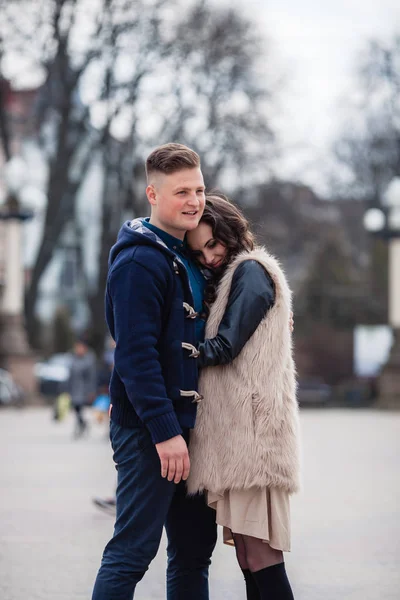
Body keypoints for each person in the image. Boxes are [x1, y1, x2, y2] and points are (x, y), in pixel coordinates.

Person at [92, 143, 218, 600]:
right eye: (181, 191)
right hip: (150, 431)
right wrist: (166, 433)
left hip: (189, 428)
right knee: (132, 552)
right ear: (152, 194)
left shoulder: (185, 251)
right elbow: (134, 357)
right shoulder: (138, 261)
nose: (194, 201)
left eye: (199, 189)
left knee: (192, 553)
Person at [185, 194, 301, 600]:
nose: (209, 257)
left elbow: (227, 345)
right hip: (241, 437)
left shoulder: (251, 271)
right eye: (199, 252)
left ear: (230, 233)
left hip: (254, 439)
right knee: (250, 558)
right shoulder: (236, 275)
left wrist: (182, 353)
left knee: (261, 556)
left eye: (213, 244)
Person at [67, 337, 97, 438]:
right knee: (76, 408)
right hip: (74, 387)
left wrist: (92, 391)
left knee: (79, 407)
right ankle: (82, 424)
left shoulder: (89, 359)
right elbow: (70, 375)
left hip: (84, 388)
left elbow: (92, 377)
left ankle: (80, 426)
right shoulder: (73, 358)